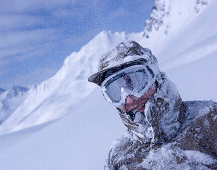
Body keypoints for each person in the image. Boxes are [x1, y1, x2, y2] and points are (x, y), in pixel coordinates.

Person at [88, 41, 217, 169]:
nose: (129, 100)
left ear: (156, 78)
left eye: (137, 81)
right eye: (115, 91)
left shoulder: (210, 120)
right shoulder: (118, 156)